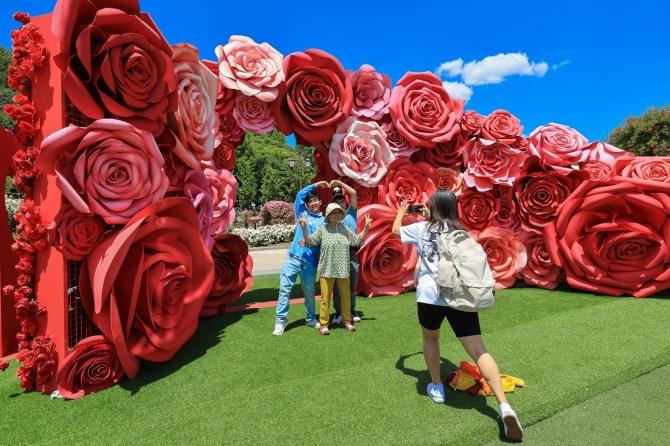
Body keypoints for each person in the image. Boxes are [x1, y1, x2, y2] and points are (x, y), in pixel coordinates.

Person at [391, 190, 523, 441]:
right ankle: (504, 406)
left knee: (431, 339)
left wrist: (401, 213)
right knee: (478, 350)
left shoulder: (422, 229)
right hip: (461, 296)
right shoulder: (462, 233)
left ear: (432, 207)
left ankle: (437, 387)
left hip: (430, 296)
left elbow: (396, 231)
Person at [300, 203, 372, 335]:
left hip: (343, 270)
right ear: (328, 215)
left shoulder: (345, 229)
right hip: (327, 270)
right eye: (334, 213)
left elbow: (356, 241)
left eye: (339, 212)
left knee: (345, 297)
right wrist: (304, 228)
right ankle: (324, 324)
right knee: (325, 298)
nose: (337, 215)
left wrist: (366, 228)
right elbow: (310, 242)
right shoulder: (323, 229)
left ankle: (347, 321)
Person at [272, 181, 329, 336]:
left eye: (315, 200)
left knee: (309, 293)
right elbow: (300, 194)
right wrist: (317, 184)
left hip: (310, 262)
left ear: (320, 202)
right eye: (310, 201)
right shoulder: (302, 212)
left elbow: (322, 243)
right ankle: (280, 320)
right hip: (293, 258)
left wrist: (310, 244)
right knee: (284, 289)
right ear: (306, 204)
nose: (313, 203)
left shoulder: (325, 221)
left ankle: (310, 318)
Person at [329, 182, 362, 325]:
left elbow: (354, 193)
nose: (340, 202)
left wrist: (339, 183)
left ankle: (351, 310)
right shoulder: (332, 218)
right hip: (337, 256)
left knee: (352, 286)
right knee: (337, 287)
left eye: (341, 200)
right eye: (336, 201)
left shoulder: (351, 213)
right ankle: (338, 312)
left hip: (351, 254)